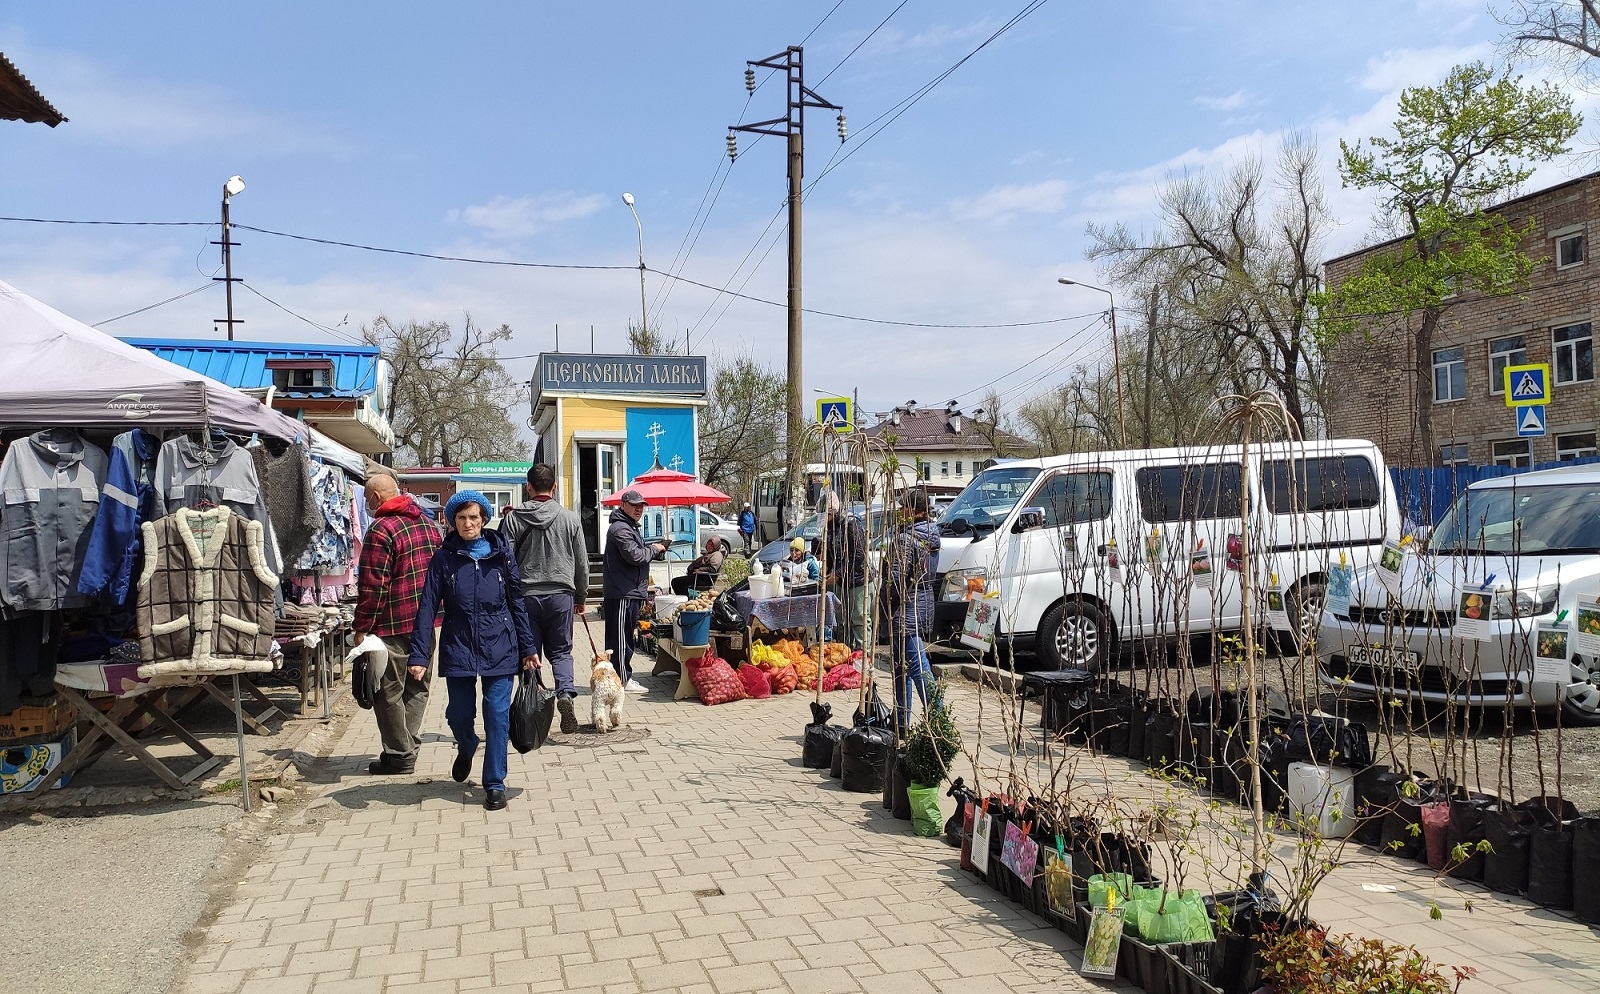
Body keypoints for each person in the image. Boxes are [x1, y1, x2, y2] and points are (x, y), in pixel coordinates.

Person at [409, 490, 538, 811]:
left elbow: (517, 603)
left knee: (497, 716)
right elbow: (427, 606)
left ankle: (494, 783)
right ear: (453, 521)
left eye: (474, 517)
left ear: (484, 520)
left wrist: (528, 647)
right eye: (462, 518)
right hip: (459, 645)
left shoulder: (501, 556)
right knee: (458, 714)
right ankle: (466, 744)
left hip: (500, 645)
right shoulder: (444, 558)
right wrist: (418, 655)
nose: (468, 523)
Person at [353, 474, 442, 775]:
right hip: (426, 623)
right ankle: (407, 747)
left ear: (377, 497)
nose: (366, 505)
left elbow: (373, 584)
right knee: (417, 687)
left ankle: (399, 754)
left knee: (387, 691)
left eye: (366, 500)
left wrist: (362, 627)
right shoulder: (430, 526)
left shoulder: (380, 529)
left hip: (392, 623)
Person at [497, 463, 588, 735]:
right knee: (561, 651)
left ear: (528, 487)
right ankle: (564, 694)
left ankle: (533, 711)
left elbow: (504, 562)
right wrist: (581, 595)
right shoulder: (570, 519)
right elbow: (582, 564)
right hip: (561, 595)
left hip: (525, 597)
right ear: (555, 487)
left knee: (529, 653)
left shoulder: (513, 519)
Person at [881, 487, 941, 734]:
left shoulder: (906, 539)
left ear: (914, 512)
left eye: (902, 507)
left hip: (905, 608)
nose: (899, 511)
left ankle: (938, 718)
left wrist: (884, 599)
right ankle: (901, 722)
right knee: (901, 667)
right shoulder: (930, 535)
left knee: (915, 666)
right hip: (923, 602)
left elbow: (895, 581)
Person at [603, 489, 669, 692]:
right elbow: (635, 556)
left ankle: (616, 677)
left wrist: (654, 548)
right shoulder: (621, 528)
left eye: (641, 506)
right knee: (621, 638)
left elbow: (637, 552)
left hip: (627, 590)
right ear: (623, 505)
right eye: (635, 505)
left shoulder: (628, 527)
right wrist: (655, 549)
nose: (639, 509)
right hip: (624, 591)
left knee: (620, 636)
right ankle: (622, 679)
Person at [822, 492, 868, 651]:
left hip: (857, 580)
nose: (824, 518)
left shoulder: (851, 524)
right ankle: (844, 651)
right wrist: (826, 566)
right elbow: (829, 551)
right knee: (841, 619)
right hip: (840, 582)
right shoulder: (830, 528)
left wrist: (838, 573)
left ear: (833, 512)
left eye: (826, 514)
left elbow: (858, 556)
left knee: (858, 619)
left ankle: (862, 655)